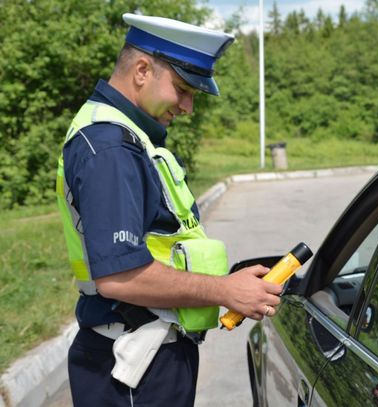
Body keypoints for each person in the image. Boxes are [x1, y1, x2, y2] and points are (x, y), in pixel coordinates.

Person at [56, 13, 282, 406]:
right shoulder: (111, 147)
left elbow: (157, 245)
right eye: (182, 89)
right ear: (142, 70)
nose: (188, 107)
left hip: (145, 355)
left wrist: (229, 284)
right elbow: (120, 277)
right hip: (132, 367)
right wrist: (225, 291)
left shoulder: (128, 136)